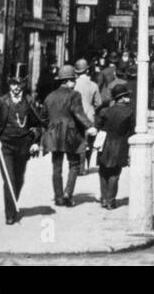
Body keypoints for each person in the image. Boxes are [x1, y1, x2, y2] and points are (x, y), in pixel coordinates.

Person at [0, 66, 45, 224]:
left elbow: (39, 125)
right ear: (9, 84)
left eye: (19, 84)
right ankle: (10, 215)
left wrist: (35, 142)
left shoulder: (29, 102)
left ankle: (12, 205)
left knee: (19, 180)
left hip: (23, 147)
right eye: (13, 84)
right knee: (9, 179)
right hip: (4, 146)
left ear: (24, 84)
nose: (15, 87)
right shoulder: (1, 102)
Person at [40, 65, 95, 207]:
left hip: (54, 135)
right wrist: (90, 126)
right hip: (71, 135)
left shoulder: (50, 96)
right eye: (73, 80)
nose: (75, 82)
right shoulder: (74, 95)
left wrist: (51, 128)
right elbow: (78, 113)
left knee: (56, 167)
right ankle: (67, 193)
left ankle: (58, 197)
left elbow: (43, 118)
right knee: (74, 164)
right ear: (68, 81)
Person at [95, 81, 136, 209]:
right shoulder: (129, 113)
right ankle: (111, 200)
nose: (128, 98)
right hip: (120, 144)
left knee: (103, 172)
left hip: (105, 143)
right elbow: (132, 132)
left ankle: (104, 198)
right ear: (122, 98)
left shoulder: (105, 111)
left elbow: (98, 125)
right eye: (127, 96)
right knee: (115, 174)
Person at [72, 59, 102, 167]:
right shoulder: (93, 85)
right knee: (89, 142)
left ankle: (78, 165)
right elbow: (99, 103)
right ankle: (86, 164)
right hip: (89, 116)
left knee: (77, 141)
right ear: (87, 70)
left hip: (76, 116)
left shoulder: (73, 85)